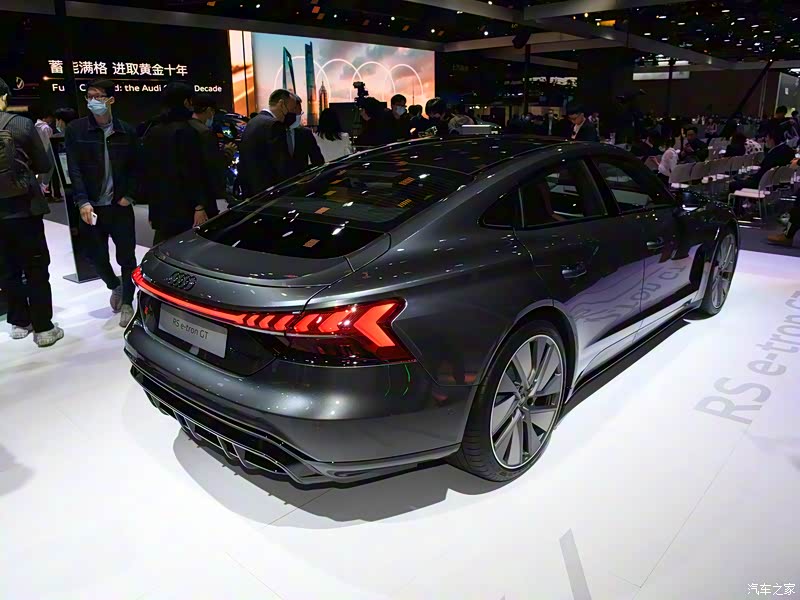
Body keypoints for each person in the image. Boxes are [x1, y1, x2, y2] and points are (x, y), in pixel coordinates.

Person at [65, 78, 139, 328]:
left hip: (119, 206)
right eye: (90, 96)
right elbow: (74, 169)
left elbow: (137, 167)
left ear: (111, 100)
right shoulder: (76, 130)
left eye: (98, 96)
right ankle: (115, 285)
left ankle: (127, 301)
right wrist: (82, 201)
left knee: (127, 257)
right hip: (91, 207)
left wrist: (129, 195)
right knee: (94, 256)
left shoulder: (126, 131)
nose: (93, 101)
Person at [0, 78, 62, 346]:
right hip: (26, 208)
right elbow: (44, 164)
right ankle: (43, 328)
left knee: (7, 269)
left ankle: (18, 322)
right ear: (4, 96)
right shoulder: (21, 124)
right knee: (36, 267)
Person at [141, 83, 221, 245]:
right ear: (186, 102)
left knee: (163, 246)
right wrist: (199, 206)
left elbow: (149, 173)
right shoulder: (186, 131)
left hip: (162, 206)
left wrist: (153, 211)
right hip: (185, 207)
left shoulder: (153, 130)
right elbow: (191, 170)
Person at [238, 89, 302, 196]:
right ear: (281, 104)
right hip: (269, 192)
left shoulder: (253, 121)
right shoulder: (274, 125)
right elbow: (281, 164)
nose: (292, 115)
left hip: (252, 191)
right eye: (291, 110)